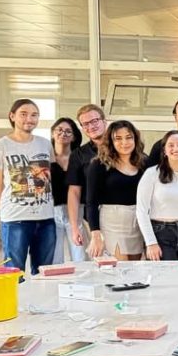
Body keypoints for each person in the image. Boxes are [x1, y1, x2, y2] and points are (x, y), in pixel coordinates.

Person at [0, 99, 55, 274]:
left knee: (44, 272)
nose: (29, 119)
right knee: (13, 273)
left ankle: (41, 295)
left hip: (45, 218)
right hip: (15, 219)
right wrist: (6, 209)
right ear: (12, 116)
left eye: (34, 115)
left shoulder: (45, 144)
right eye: (23, 114)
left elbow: (50, 177)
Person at [137, 131, 178, 261]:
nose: (176, 149)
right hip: (161, 233)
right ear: (164, 151)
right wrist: (150, 242)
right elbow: (141, 211)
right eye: (171, 145)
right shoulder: (152, 174)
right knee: (166, 273)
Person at [86, 120, 147, 260]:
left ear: (135, 139)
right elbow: (91, 202)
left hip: (137, 222)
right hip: (112, 223)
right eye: (118, 138)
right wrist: (95, 234)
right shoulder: (99, 164)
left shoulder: (144, 162)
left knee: (135, 268)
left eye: (128, 137)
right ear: (111, 141)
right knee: (120, 267)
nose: (124, 142)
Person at [66, 104, 107, 252]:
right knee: (100, 259)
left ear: (104, 121)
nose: (91, 126)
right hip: (92, 219)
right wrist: (74, 227)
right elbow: (74, 192)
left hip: (123, 216)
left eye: (94, 121)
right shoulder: (79, 155)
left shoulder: (122, 148)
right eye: (85, 124)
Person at [50, 117, 85, 263]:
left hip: (77, 210)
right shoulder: (45, 157)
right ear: (52, 133)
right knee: (54, 257)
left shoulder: (80, 158)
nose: (63, 133)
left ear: (74, 137)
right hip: (52, 211)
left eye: (68, 131)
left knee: (80, 256)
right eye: (59, 130)